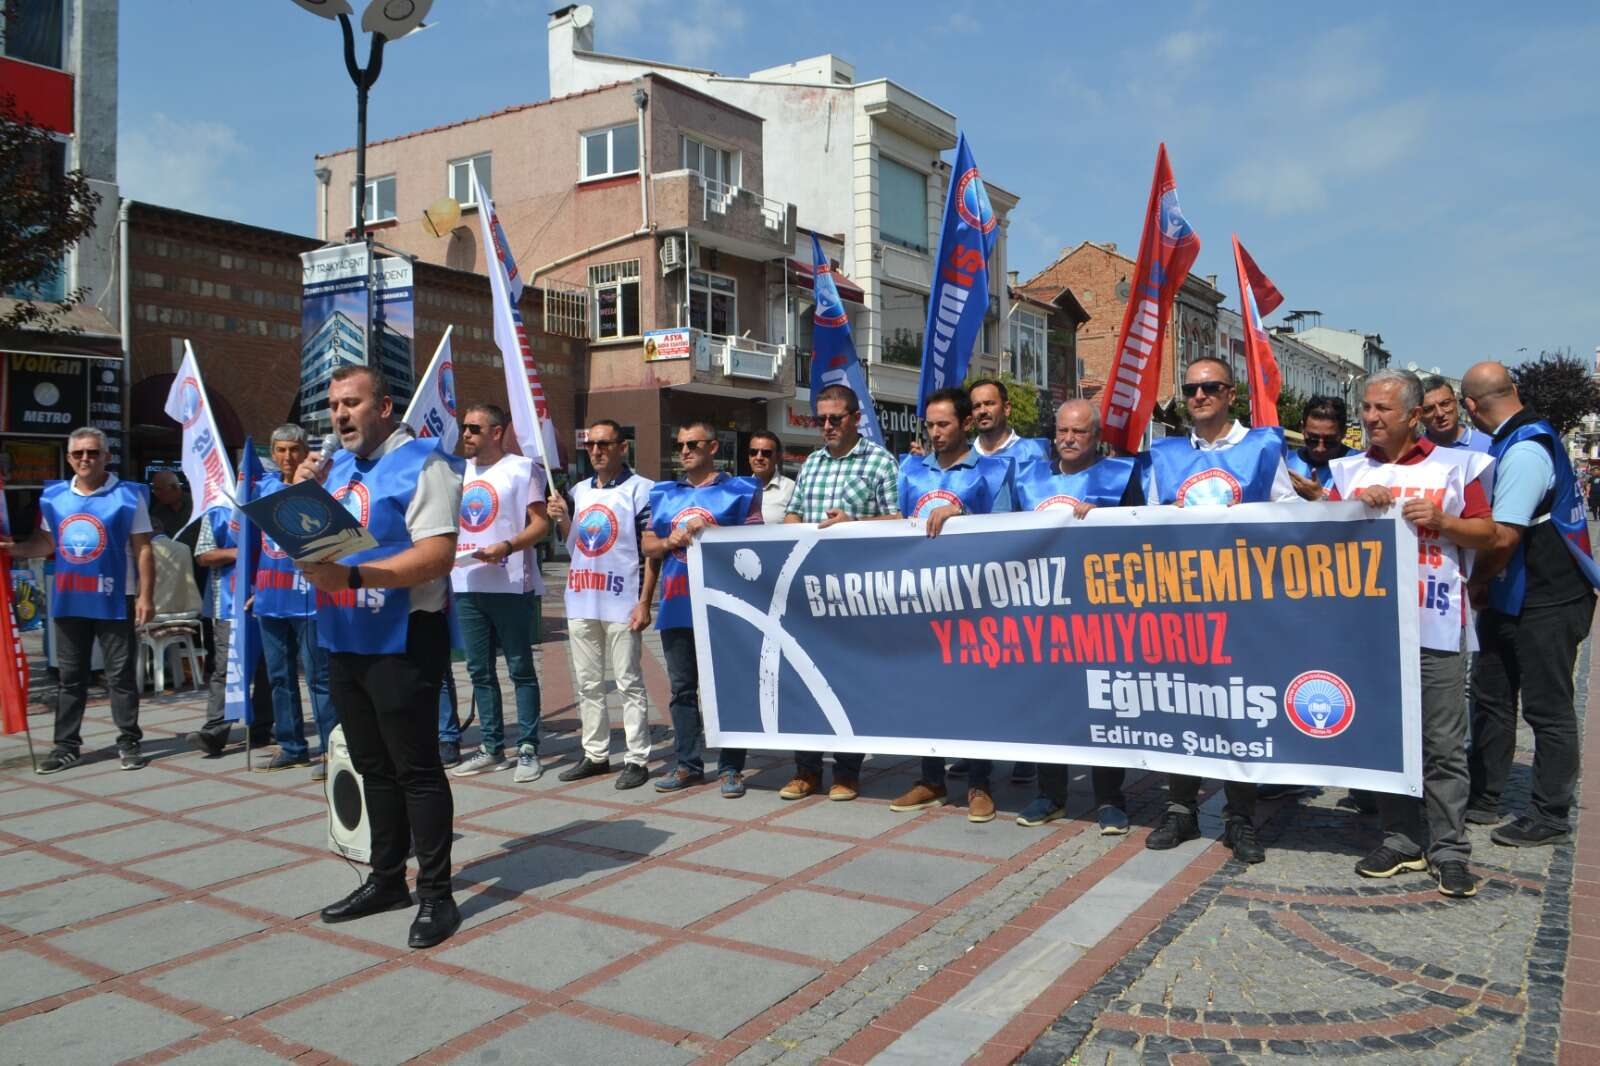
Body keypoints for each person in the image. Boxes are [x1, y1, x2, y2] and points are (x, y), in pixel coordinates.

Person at [296, 365, 464, 950]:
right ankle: (387, 879)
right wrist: (301, 495)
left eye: (352, 403)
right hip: (344, 634)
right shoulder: (337, 470)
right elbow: (311, 549)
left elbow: (438, 555)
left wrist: (354, 576)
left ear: (385, 407)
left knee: (416, 769)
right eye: (333, 405)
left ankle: (437, 894)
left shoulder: (424, 463)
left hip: (404, 638)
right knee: (371, 766)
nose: (340, 415)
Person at [1329, 369, 1496, 898]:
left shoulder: (1456, 466)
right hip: (1372, 632)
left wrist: (1445, 522)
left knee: (1442, 744)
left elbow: (1488, 532)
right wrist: (1353, 507)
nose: (1370, 418)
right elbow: (1319, 537)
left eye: (1382, 409)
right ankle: (1400, 838)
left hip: (1437, 624)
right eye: (1366, 408)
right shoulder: (1349, 471)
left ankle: (1449, 849)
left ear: (1414, 415)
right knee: (1390, 740)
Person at [1141, 356, 1298, 865]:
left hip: (1245, 603)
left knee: (1239, 708)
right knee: (1182, 704)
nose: (1199, 396)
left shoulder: (1262, 448)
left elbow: (1292, 517)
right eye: (1190, 389)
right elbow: (1147, 525)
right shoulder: (1165, 454)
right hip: (1183, 603)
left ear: (1231, 393)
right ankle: (1180, 809)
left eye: (1210, 387)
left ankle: (1240, 816)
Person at [1462, 362, 1600, 848]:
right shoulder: (1515, 438)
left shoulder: (1524, 449)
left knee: (1547, 709)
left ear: (1470, 406)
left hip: (1547, 598)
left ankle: (1549, 814)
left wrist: (1476, 583)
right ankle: (1485, 795)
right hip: (1515, 597)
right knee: (1491, 697)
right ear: (1514, 390)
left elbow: (1504, 537)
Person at [887, 387, 1015, 823]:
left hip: (973, 603)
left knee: (974, 693)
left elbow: (1008, 530)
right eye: (930, 425)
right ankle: (931, 779)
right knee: (924, 690)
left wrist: (962, 518)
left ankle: (979, 783)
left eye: (944, 424)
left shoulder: (993, 471)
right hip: (921, 600)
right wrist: (853, 523)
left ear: (965, 424)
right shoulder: (911, 470)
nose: (935, 433)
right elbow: (899, 525)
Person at [1013, 399, 1140, 834]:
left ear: (1096, 437)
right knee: (1047, 705)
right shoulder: (1030, 479)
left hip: (1100, 614)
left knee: (1103, 707)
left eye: (1079, 432)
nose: (1068, 439)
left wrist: (1110, 521)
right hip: (1042, 615)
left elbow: (1142, 532)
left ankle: (1110, 800)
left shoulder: (1119, 476)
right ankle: (1050, 795)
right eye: (1063, 431)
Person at [4, 427, 153, 773]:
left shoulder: (128, 496)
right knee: (70, 677)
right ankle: (66, 746)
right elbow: (46, 544)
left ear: (106, 456)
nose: (85, 458)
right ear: (69, 458)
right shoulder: (54, 497)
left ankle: (128, 740)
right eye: (78, 453)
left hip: (116, 597)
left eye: (93, 452)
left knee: (120, 676)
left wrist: (146, 595)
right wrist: (14, 550)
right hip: (70, 599)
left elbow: (143, 549)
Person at [781, 384, 900, 801]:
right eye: (822, 419)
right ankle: (806, 771)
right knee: (803, 678)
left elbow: (899, 519)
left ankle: (847, 772)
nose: (827, 426)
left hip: (854, 593)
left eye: (835, 418)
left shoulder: (880, 461)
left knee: (848, 683)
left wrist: (854, 524)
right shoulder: (812, 462)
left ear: (856, 418)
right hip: (808, 590)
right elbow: (794, 511)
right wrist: (791, 528)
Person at [641, 420, 762, 796]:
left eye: (693, 444)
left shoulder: (740, 490)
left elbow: (758, 542)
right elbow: (647, 546)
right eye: (680, 444)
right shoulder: (663, 493)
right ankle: (688, 764)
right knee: (682, 690)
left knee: (729, 689)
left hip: (725, 608)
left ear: (713, 447)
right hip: (677, 605)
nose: (684, 451)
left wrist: (713, 533)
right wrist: (668, 541)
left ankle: (731, 767)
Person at [547, 419, 656, 790]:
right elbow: (576, 545)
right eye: (591, 444)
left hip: (622, 601)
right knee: (588, 683)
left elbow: (650, 553)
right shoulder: (578, 491)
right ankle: (595, 754)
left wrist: (644, 601)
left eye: (604, 444)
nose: (596, 451)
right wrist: (563, 520)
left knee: (629, 682)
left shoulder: (641, 490)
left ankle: (637, 757)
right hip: (582, 599)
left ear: (622, 448)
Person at [449, 403, 550, 783]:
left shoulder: (522, 469)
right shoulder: (457, 472)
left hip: (509, 583)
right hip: (466, 583)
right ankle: (492, 748)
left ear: (496, 432)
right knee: (479, 670)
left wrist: (507, 546)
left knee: (520, 668)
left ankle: (528, 747)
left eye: (474, 428)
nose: (466, 434)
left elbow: (540, 525)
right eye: (464, 427)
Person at [961, 377, 1049, 784]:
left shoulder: (1033, 452)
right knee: (974, 669)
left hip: (1021, 575)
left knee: (1021, 669)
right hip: (971, 579)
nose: (982, 411)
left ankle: (1025, 749)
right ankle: (976, 749)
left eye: (989, 403)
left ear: (1006, 408)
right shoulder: (963, 456)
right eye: (976, 405)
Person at [253, 425, 337, 779]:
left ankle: (332, 750)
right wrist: (249, 588)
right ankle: (292, 747)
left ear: (305, 452)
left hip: (308, 598)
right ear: (273, 453)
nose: (288, 456)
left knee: (319, 677)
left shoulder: (318, 488)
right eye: (281, 450)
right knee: (279, 678)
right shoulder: (262, 489)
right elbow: (250, 545)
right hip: (269, 598)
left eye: (294, 449)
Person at [188, 489, 273, 759]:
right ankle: (215, 731)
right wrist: (238, 551)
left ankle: (262, 727)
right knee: (226, 667)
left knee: (267, 668)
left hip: (268, 597)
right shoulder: (216, 510)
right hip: (227, 603)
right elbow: (203, 555)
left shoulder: (270, 502)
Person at [1284, 394, 1352, 497]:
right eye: (1313, 440)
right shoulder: (1284, 463)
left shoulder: (1360, 466)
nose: (1320, 448)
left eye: (1329, 441)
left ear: (1343, 433)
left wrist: (1319, 497)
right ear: (1302, 429)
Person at [1421, 376, 1492, 453]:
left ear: (1455, 402)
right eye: (1429, 409)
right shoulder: (1414, 452)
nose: (1440, 414)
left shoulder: (1489, 446)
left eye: (1445, 404)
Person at [749, 430, 796, 524]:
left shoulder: (792, 489)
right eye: (753, 452)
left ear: (777, 457)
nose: (759, 457)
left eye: (766, 453)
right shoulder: (739, 487)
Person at [148, 470, 192, 538]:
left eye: (159, 489)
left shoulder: (196, 505)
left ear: (175, 487)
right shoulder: (157, 511)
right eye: (154, 489)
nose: (156, 493)